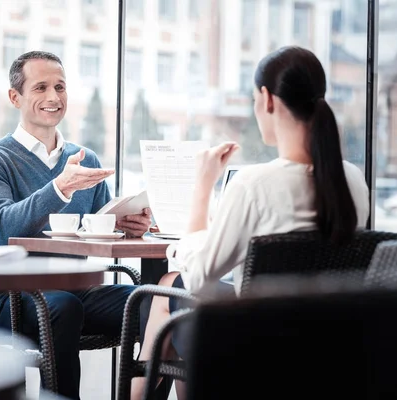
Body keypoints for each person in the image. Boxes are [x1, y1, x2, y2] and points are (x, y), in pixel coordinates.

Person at [131, 46, 370, 400]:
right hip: (326, 345)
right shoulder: (352, 179)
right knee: (173, 286)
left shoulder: (254, 184)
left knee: (167, 292)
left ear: (266, 99)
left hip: (252, 341)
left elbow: (199, 275)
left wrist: (203, 186)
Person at [0, 51, 151, 399]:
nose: (54, 97)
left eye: (60, 87)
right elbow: (1, 227)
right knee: (63, 308)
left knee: (156, 305)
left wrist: (127, 226)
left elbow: (99, 229)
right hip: (10, 298)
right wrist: (60, 188)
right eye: (40, 87)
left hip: (74, 292)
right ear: (15, 97)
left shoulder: (83, 159)